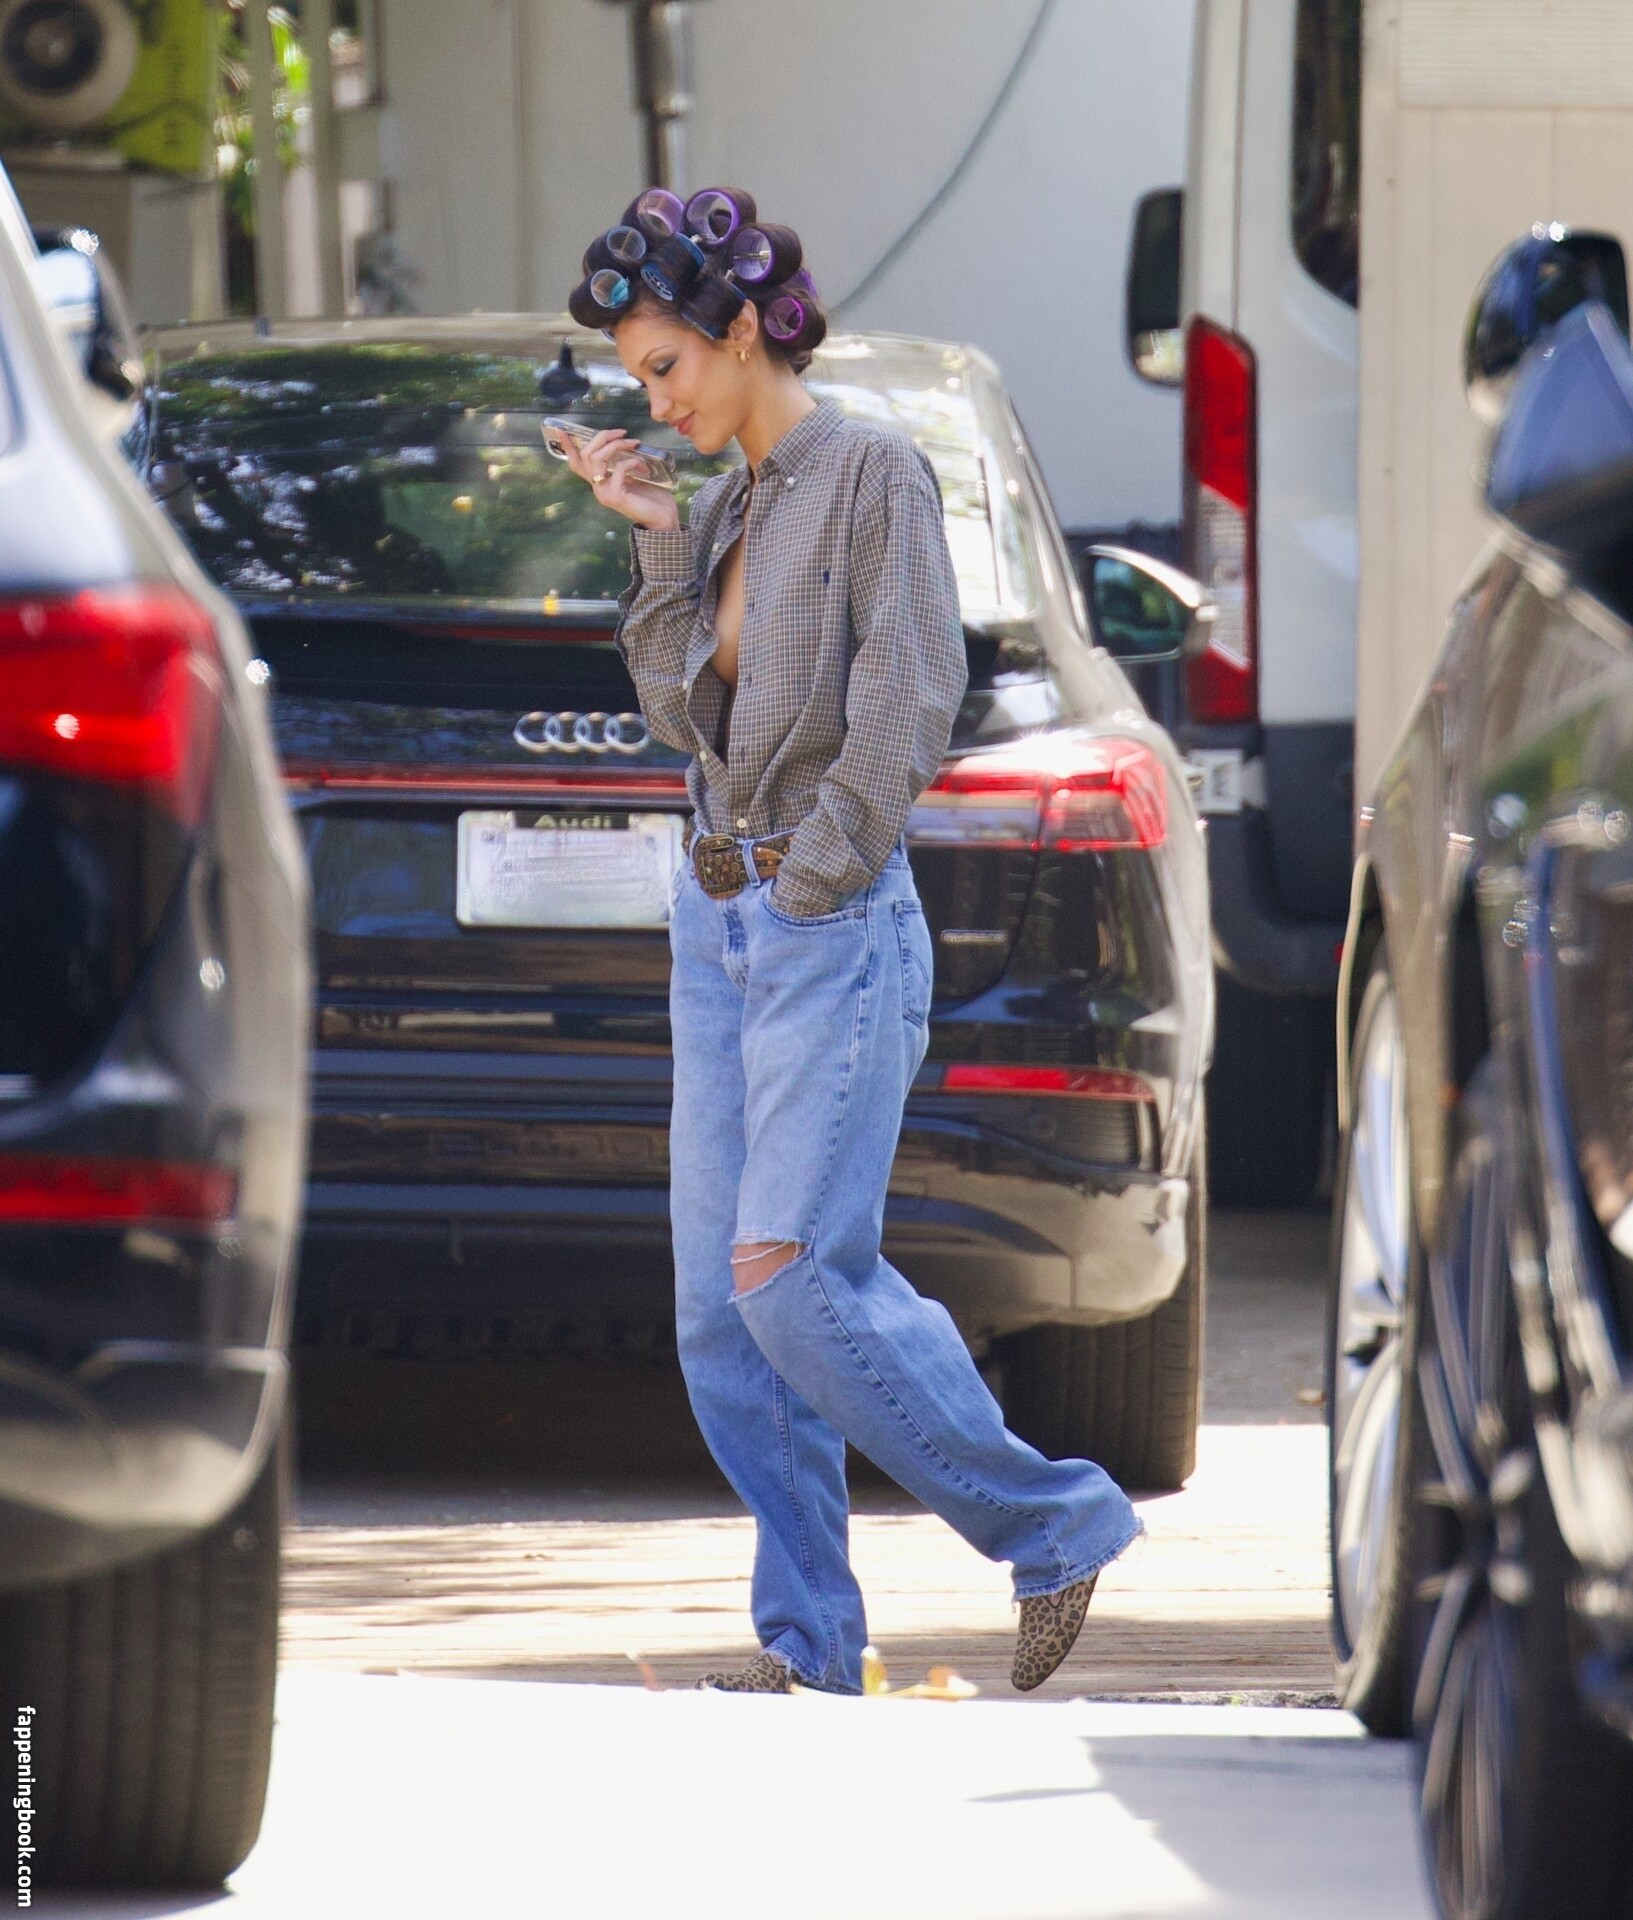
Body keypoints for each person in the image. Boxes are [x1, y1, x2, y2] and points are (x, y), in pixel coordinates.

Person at [557, 187, 1141, 1694]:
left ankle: (1053, 1521)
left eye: (665, 366)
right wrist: (657, 542)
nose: (655, 402)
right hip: (717, 927)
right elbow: (682, 717)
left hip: (827, 922)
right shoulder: (730, 507)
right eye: (638, 379)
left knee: (790, 1273)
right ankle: (809, 1636)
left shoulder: (872, 469)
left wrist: (813, 880)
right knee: (719, 1315)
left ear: (745, 330)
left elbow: (911, 694)